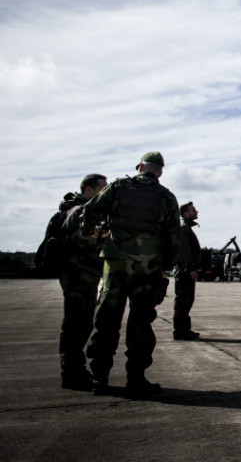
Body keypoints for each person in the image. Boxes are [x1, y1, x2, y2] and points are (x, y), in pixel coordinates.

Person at [83, 152, 180, 398]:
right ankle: (136, 379)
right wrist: (164, 265)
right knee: (140, 324)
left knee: (106, 321)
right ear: (159, 172)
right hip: (147, 267)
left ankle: (99, 378)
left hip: (115, 264)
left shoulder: (118, 186)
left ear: (139, 167)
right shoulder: (166, 197)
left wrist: (93, 236)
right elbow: (173, 237)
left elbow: (90, 210)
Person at [58, 173, 108, 390]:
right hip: (80, 276)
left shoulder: (73, 210)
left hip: (78, 276)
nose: (105, 194)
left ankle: (73, 370)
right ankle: (72, 373)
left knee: (76, 324)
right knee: (78, 325)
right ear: (89, 190)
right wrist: (104, 237)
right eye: (102, 189)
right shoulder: (81, 211)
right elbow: (84, 239)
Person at [173, 201, 201, 340]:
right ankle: (180, 331)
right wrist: (191, 268)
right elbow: (184, 251)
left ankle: (184, 329)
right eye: (193, 210)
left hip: (184, 270)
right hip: (184, 271)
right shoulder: (184, 228)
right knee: (183, 301)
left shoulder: (185, 227)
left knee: (186, 301)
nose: (196, 212)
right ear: (185, 213)